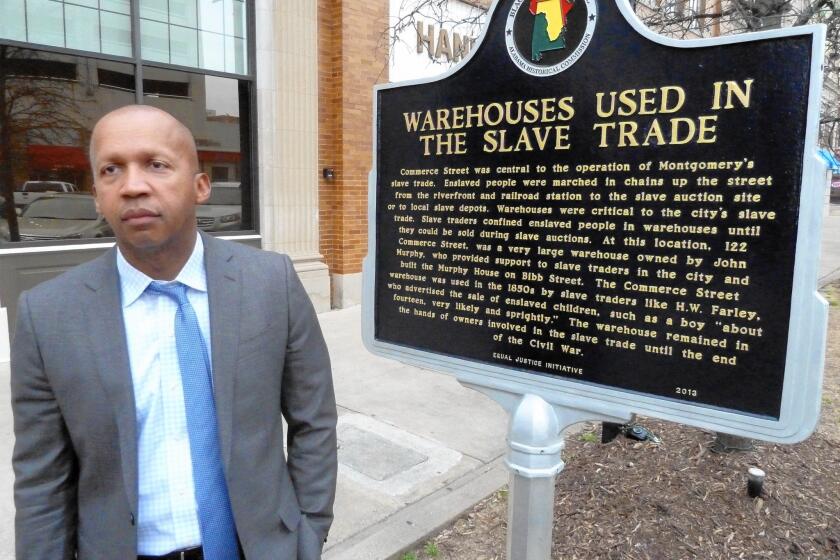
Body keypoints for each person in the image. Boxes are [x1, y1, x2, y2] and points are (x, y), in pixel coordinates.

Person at [11, 105, 337, 560]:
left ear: (200, 186)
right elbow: (42, 478)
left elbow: (313, 421)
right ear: (97, 196)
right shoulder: (46, 315)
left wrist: (308, 532)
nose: (133, 185)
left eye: (156, 164)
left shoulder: (272, 283)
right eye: (111, 170)